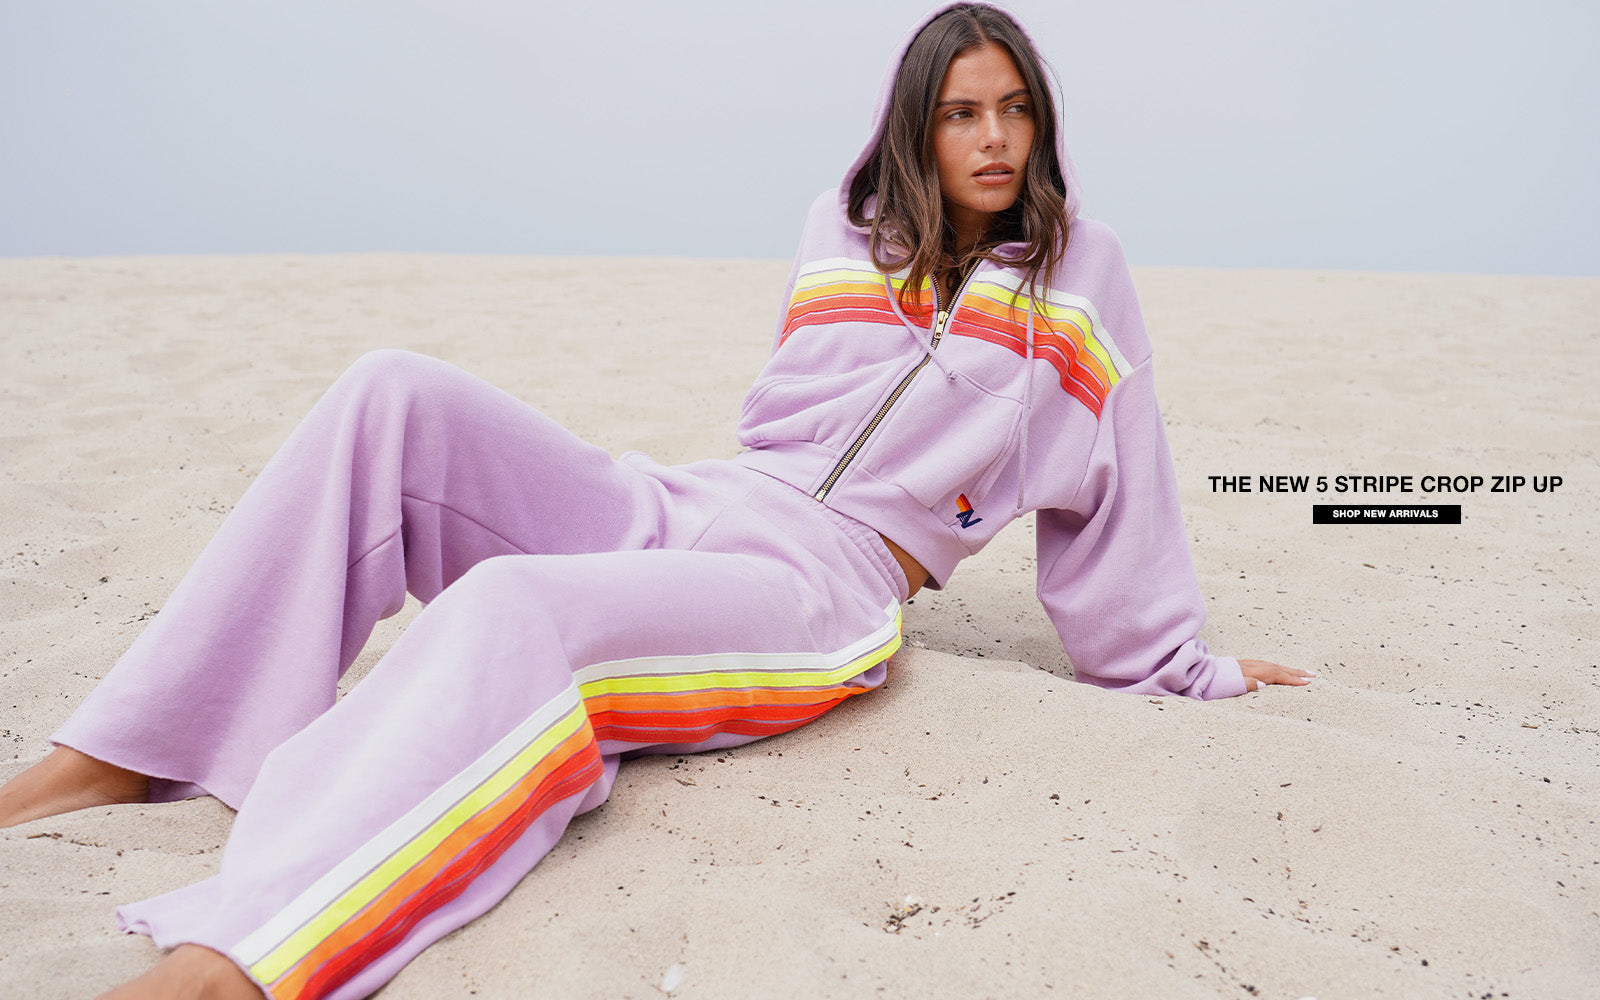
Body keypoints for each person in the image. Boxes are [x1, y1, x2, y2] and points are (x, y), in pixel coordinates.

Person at [0, 4, 1312, 998]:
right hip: (694, 501)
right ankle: (131, 750)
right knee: (390, 393)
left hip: (825, 582)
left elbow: (1119, 480)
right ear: (916, 124)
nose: (991, 139)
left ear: (1042, 124)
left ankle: (251, 948)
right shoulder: (845, 226)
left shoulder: (1083, 277)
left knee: (519, 609)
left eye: (1014, 110)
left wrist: (1174, 661)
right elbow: (803, 414)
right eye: (962, 112)